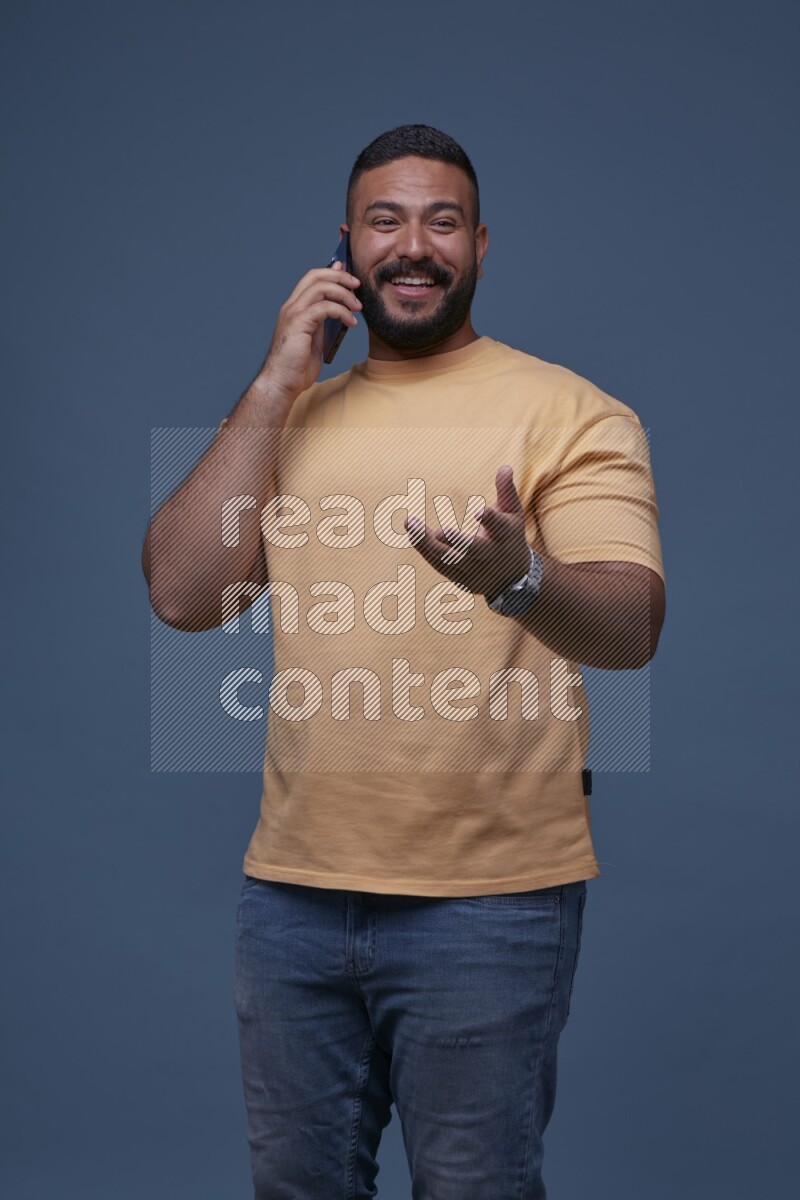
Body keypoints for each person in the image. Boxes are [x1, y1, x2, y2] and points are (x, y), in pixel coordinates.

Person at [143, 124, 665, 1199]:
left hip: (489, 905)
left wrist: (519, 578)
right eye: (385, 220)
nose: (411, 245)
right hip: (289, 898)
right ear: (345, 245)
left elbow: (629, 629)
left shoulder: (571, 411)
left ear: (479, 244)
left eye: (439, 222)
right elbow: (184, 593)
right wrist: (274, 379)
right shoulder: (290, 421)